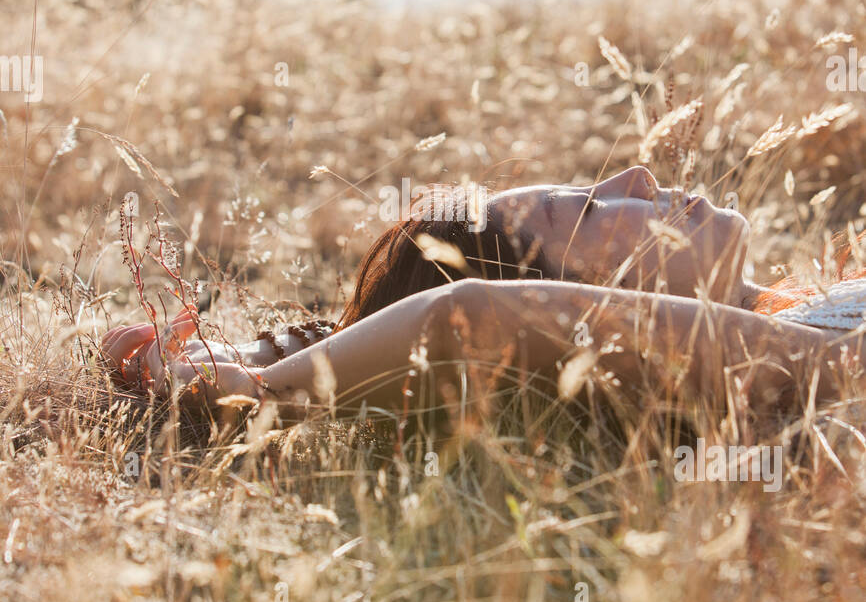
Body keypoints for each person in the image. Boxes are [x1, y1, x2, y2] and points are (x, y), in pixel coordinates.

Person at [101, 165, 866, 420]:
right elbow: (466, 316)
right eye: (589, 210)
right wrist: (257, 381)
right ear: (589, 314)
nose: (636, 177)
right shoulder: (818, 357)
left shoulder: (806, 312)